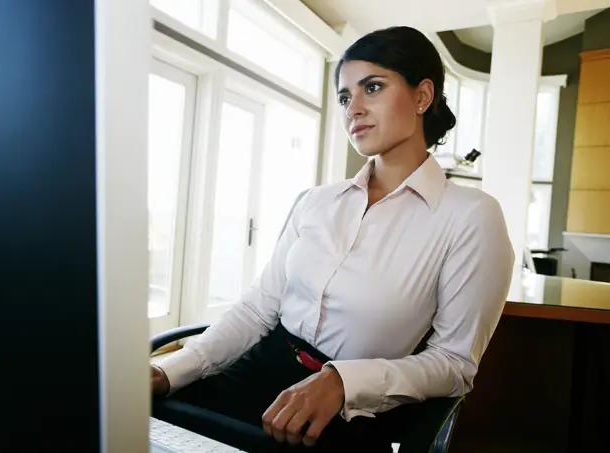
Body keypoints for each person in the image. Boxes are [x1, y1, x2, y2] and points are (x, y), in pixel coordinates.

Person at [151, 26, 514, 452]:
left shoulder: (471, 216)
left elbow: (455, 364)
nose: (352, 109)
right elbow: (258, 309)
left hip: (350, 407)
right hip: (258, 367)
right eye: (345, 97)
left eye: (372, 88)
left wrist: (341, 382)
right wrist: (171, 368)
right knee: (139, 414)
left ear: (422, 96)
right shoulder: (315, 201)